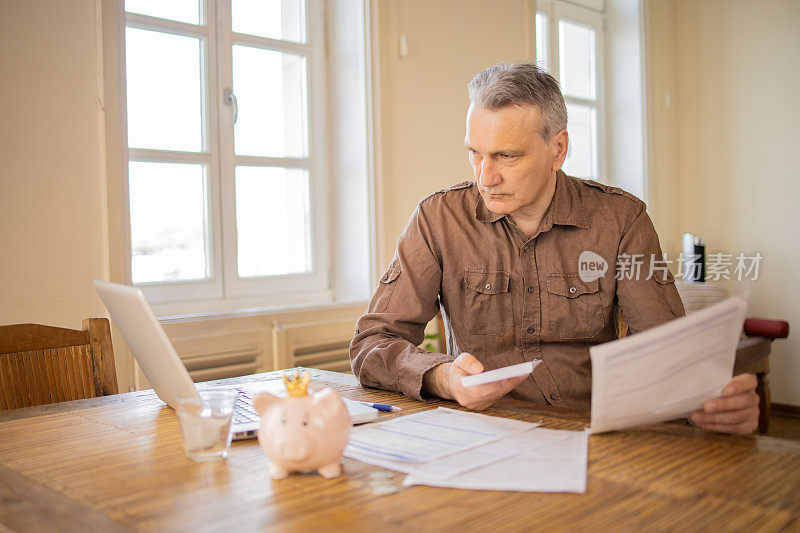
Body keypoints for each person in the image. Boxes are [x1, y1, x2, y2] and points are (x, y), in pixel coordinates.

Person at [349, 62, 759, 434]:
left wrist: (708, 404)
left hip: (593, 437)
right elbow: (372, 344)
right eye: (475, 154)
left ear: (557, 149)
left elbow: (667, 355)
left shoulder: (621, 221)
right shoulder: (438, 219)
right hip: (481, 434)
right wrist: (444, 378)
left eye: (506, 157)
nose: (485, 177)